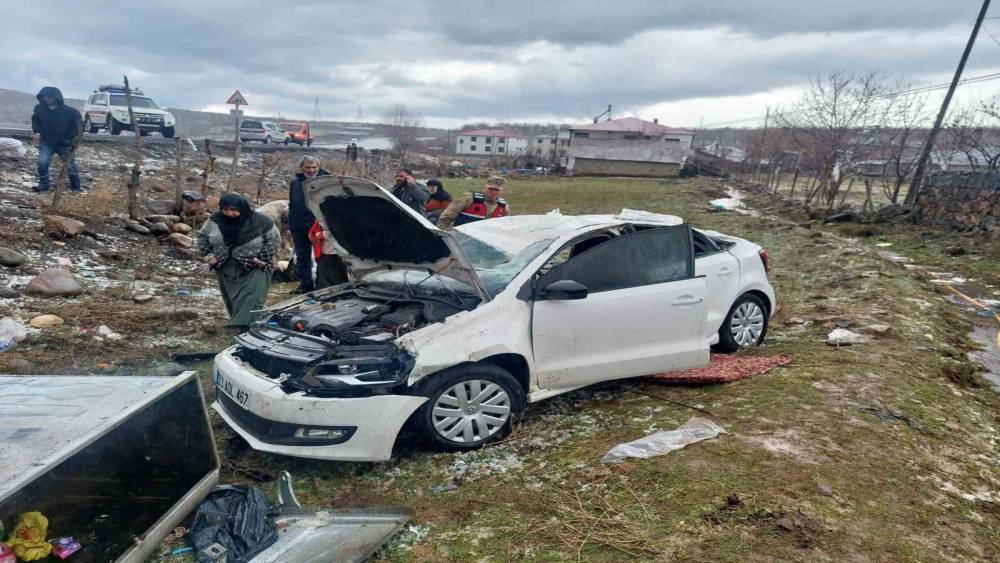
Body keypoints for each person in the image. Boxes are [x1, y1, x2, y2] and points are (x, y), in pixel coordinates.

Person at [197, 193, 280, 329]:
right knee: (233, 298)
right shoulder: (215, 220)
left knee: (251, 298)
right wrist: (209, 256)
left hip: (255, 267)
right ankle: (239, 322)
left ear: (243, 208)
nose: (229, 213)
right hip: (225, 266)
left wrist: (260, 258)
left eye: (234, 210)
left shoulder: (261, 222)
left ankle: (243, 327)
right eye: (225, 209)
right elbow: (202, 237)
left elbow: (274, 241)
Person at [288, 155, 329, 293]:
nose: (311, 170)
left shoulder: (327, 181)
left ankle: (322, 284)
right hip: (299, 224)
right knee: (302, 256)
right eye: (307, 167)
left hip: (319, 224)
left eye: (314, 167)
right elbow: (293, 204)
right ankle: (305, 285)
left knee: (323, 256)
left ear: (318, 167)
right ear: (302, 167)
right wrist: (292, 222)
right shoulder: (295, 182)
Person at [30, 86, 82, 193]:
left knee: (70, 166)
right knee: (42, 162)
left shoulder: (71, 112)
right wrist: (37, 131)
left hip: (64, 144)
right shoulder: (39, 109)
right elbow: (35, 121)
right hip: (46, 142)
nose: (46, 99)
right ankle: (44, 184)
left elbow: (79, 127)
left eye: (49, 97)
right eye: (44, 97)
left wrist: (68, 137)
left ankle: (76, 188)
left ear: (56, 97)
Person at [436, 176, 509, 230]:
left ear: (501, 191)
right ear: (485, 188)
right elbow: (445, 218)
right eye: (490, 189)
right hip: (460, 238)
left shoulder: (504, 207)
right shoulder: (468, 198)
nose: (493, 192)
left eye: (496, 190)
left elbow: (504, 227)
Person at [307, 219, 349, 289]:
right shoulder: (320, 216)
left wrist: (321, 234)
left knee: (336, 279)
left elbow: (339, 230)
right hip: (325, 252)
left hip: (334, 252)